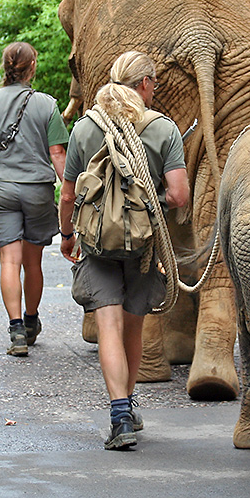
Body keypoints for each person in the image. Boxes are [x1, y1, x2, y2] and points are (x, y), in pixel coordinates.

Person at [58, 51, 189, 450]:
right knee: (133, 323)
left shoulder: (84, 129)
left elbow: (67, 194)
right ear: (146, 84)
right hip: (143, 244)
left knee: (109, 326)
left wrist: (66, 234)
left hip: (97, 243)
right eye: (155, 84)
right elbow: (180, 195)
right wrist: (153, 203)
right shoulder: (162, 130)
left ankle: (119, 414)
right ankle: (128, 404)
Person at [0, 42, 68, 356]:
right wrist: (68, 189)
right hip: (37, 190)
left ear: (6, 67)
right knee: (33, 261)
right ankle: (31, 321)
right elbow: (57, 153)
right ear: (32, 67)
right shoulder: (47, 105)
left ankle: (15, 332)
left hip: (0, 189)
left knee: (9, 261)